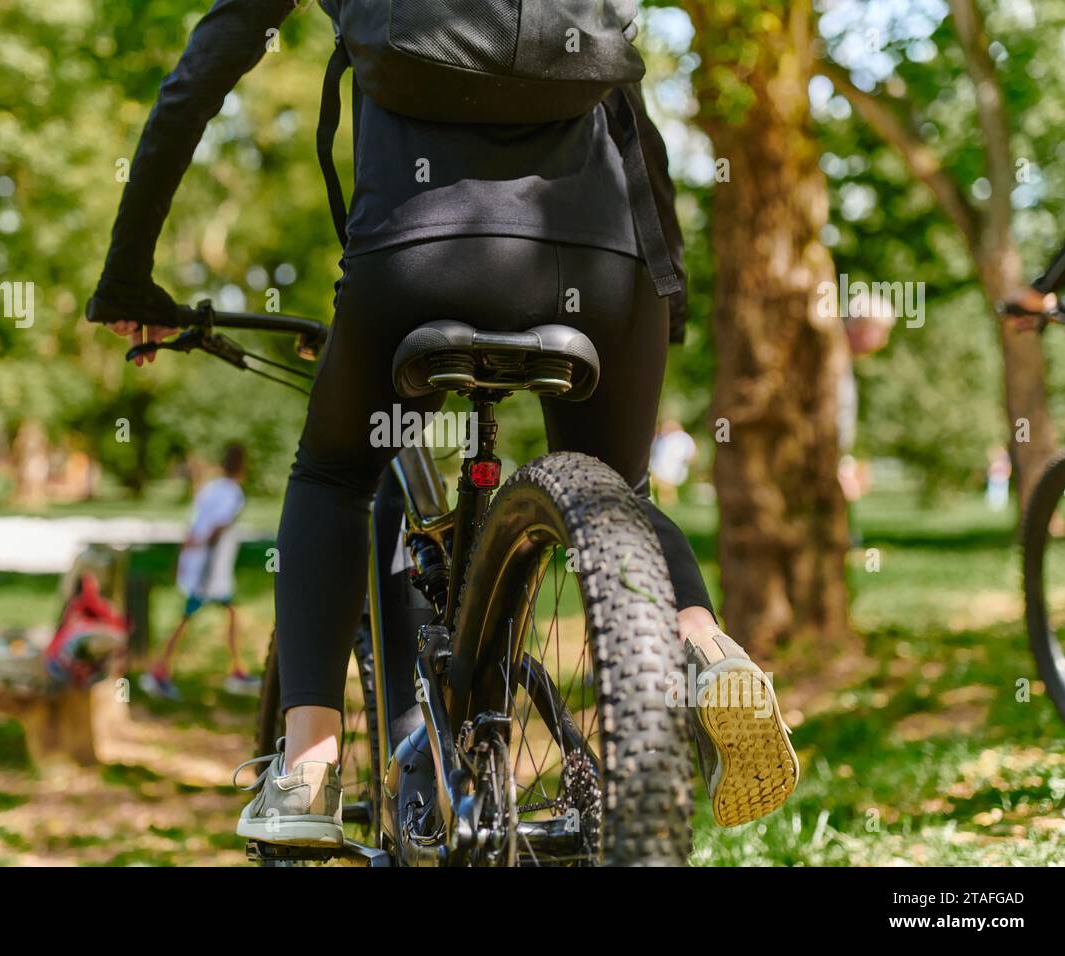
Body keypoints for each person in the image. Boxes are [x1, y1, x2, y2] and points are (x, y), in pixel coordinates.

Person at [88, 0, 798, 847]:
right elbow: (630, 112)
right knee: (623, 492)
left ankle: (309, 766)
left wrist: (128, 277)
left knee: (337, 474)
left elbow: (199, 77)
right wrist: (666, 299)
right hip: (609, 265)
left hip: (419, 258)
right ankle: (704, 645)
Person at [140, 443, 256, 699]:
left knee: (229, 614)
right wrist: (202, 549)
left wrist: (185, 554)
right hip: (209, 570)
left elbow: (194, 525)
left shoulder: (211, 488)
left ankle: (237, 669)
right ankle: (158, 670)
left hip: (201, 564)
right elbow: (216, 527)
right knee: (186, 618)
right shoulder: (233, 493)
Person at [650, 419, 697, 506]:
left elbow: (691, 456)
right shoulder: (666, 438)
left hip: (670, 471)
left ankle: (668, 506)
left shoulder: (683, 439)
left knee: (665, 491)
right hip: (660, 468)